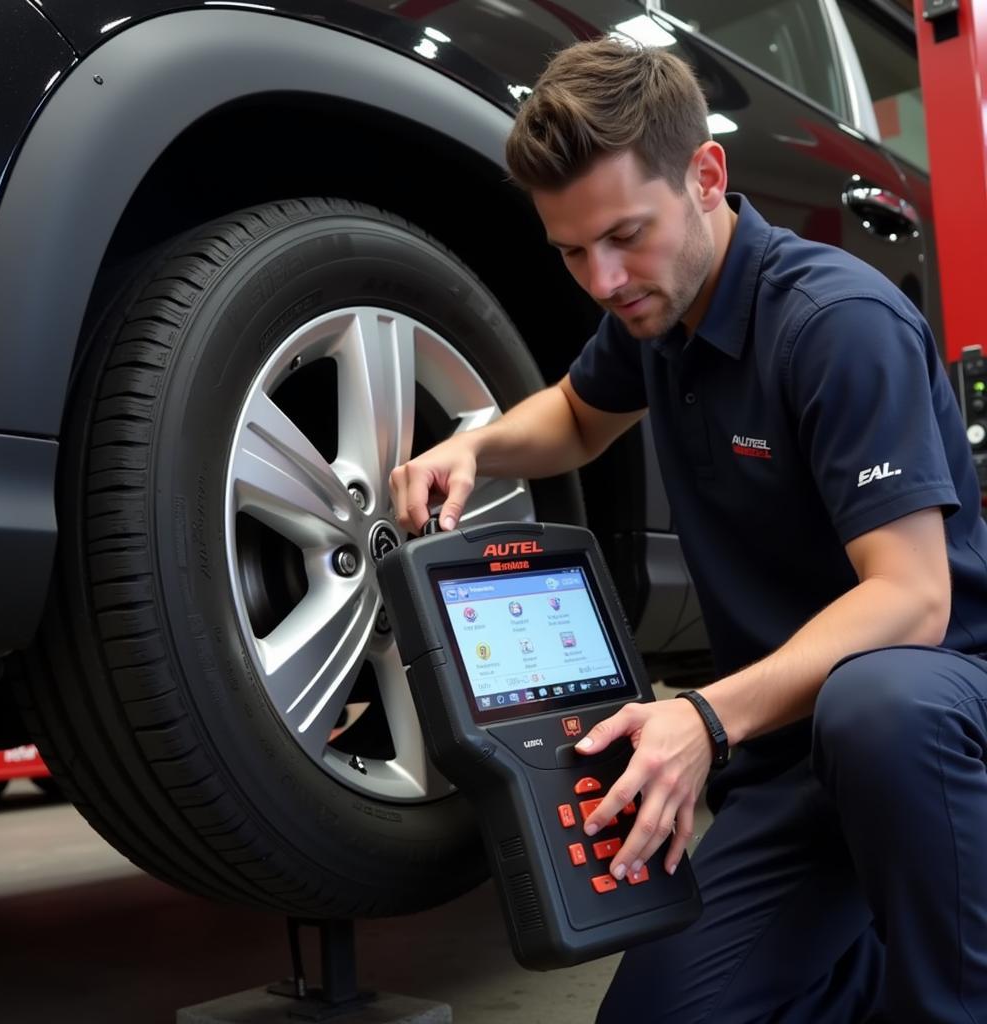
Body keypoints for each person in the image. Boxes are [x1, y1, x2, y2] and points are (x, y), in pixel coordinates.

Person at [389, 37, 987, 1023]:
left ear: (706, 175)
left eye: (624, 234)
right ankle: (875, 956)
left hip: (928, 722)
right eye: (572, 250)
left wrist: (704, 718)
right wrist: (477, 447)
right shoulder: (655, 313)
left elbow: (913, 599)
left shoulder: (836, 325)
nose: (602, 277)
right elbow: (580, 417)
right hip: (791, 759)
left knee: (875, 704)